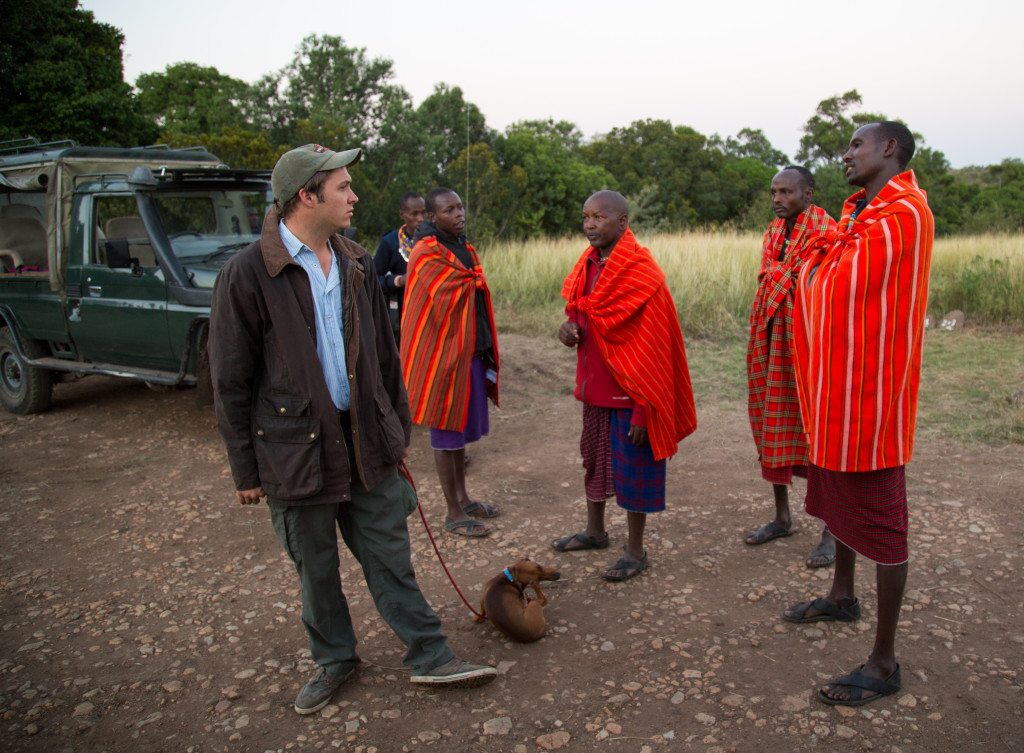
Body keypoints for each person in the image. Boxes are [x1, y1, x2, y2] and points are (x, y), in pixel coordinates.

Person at [208, 145, 496, 717]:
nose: (354, 196)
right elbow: (231, 382)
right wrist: (246, 470)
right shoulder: (245, 274)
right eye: (342, 187)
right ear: (307, 197)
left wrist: (395, 432)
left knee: (389, 551)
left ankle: (430, 654)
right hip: (295, 452)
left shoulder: (355, 262)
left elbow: (385, 359)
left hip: (366, 441)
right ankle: (335, 660)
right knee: (315, 568)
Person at [784, 122, 934, 706]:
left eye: (856, 145)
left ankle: (884, 660)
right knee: (839, 499)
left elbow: (832, 285)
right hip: (835, 391)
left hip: (870, 399)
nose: (845, 155)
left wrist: (812, 271)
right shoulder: (858, 215)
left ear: (889, 148)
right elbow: (817, 276)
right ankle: (842, 595)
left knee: (883, 519)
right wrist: (813, 271)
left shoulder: (905, 213)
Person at [552, 190, 697, 581]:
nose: (589, 225)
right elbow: (580, 315)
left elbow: (654, 347)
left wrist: (644, 407)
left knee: (634, 468)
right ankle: (595, 531)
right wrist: (569, 329)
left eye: (599, 217)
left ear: (622, 222)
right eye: (585, 217)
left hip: (633, 395)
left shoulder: (641, 271)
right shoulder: (587, 264)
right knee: (594, 461)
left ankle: (635, 550)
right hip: (596, 388)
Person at [745, 166, 838, 568]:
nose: (778, 198)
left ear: (808, 193)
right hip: (771, 338)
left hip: (810, 342)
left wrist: (785, 275)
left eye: (786, 191)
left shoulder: (828, 231)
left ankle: (832, 530)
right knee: (772, 423)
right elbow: (773, 277)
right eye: (774, 192)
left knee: (818, 431)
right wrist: (785, 275)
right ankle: (782, 517)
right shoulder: (773, 231)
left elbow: (825, 283)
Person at [400, 188, 501, 537]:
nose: (459, 214)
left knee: (460, 432)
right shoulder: (426, 252)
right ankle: (453, 512)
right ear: (432, 216)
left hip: (466, 351)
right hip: (442, 356)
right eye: (449, 209)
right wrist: (472, 281)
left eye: (460, 207)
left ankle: (464, 498)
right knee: (445, 434)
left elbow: (469, 287)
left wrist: (472, 281)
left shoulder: (462, 246)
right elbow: (444, 294)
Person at [374, 192, 426, 342]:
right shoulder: (390, 242)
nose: (420, 219)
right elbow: (374, 280)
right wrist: (398, 281)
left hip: (428, 313)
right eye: (414, 214)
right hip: (399, 318)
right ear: (402, 214)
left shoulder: (433, 241)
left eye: (423, 213)